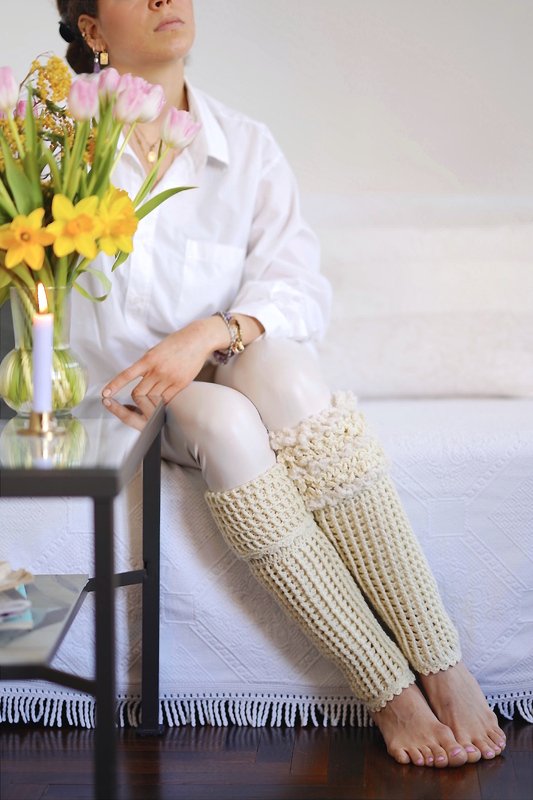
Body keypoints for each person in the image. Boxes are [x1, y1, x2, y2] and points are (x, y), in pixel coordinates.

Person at [57, 0, 507, 768]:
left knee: (286, 371)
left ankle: (440, 662)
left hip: (223, 360)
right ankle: (387, 690)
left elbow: (296, 288)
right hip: (123, 396)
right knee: (224, 420)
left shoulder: (247, 146)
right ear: (92, 28)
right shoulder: (52, 144)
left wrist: (210, 332)